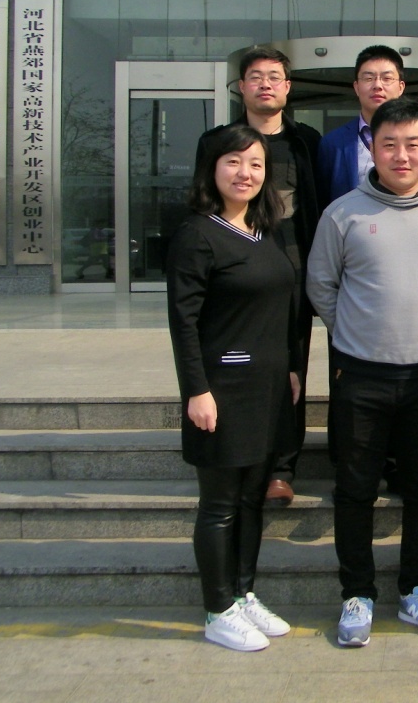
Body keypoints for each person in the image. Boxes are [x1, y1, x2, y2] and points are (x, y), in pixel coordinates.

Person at [306, 98, 418, 648]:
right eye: (389, 144)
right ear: (372, 148)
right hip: (359, 376)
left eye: (413, 144)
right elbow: (321, 284)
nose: (402, 155)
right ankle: (357, 592)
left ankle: (417, 588)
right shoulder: (343, 213)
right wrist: (354, 332)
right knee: (355, 489)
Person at [166, 125, 300, 652]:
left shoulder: (264, 231)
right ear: (212, 169)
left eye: (256, 164)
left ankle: (243, 593)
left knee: (250, 500)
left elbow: (280, 309)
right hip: (222, 388)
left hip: (267, 387)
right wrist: (195, 390)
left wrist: (290, 368)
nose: (246, 173)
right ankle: (218, 608)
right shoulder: (197, 235)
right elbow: (183, 322)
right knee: (220, 504)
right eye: (234, 162)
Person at [197, 44, 322, 506]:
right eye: (256, 77)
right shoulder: (217, 141)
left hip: (291, 271)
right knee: (237, 364)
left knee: (291, 369)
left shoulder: (307, 141)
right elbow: (202, 201)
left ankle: (282, 468)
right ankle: (240, 454)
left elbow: (315, 207)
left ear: (287, 87)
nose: (265, 84)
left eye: (274, 77)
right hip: (234, 272)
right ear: (241, 87)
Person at [316, 44, 418, 207]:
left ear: (401, 87)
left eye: (387, 78)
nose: (377, 85)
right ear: (356, 87)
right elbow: (323, 199)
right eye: (368, 78)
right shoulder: (333, 142)